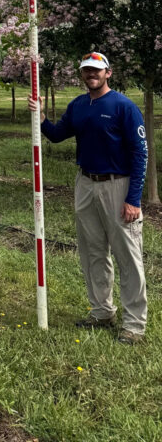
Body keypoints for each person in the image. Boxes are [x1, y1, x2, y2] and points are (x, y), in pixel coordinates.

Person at [29, 51, 148, 344]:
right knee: (93, 252)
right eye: (86, 70)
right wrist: (41, 118)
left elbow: (140, 154)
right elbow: (58, 135)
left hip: (117, 185)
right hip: (85, 184)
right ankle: (101, 312)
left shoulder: (124, 107)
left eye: (96, 69)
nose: (91, 74)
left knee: (127, 256)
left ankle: (134, 324)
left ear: (108, 72)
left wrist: (133, 199)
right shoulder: (80, 105)